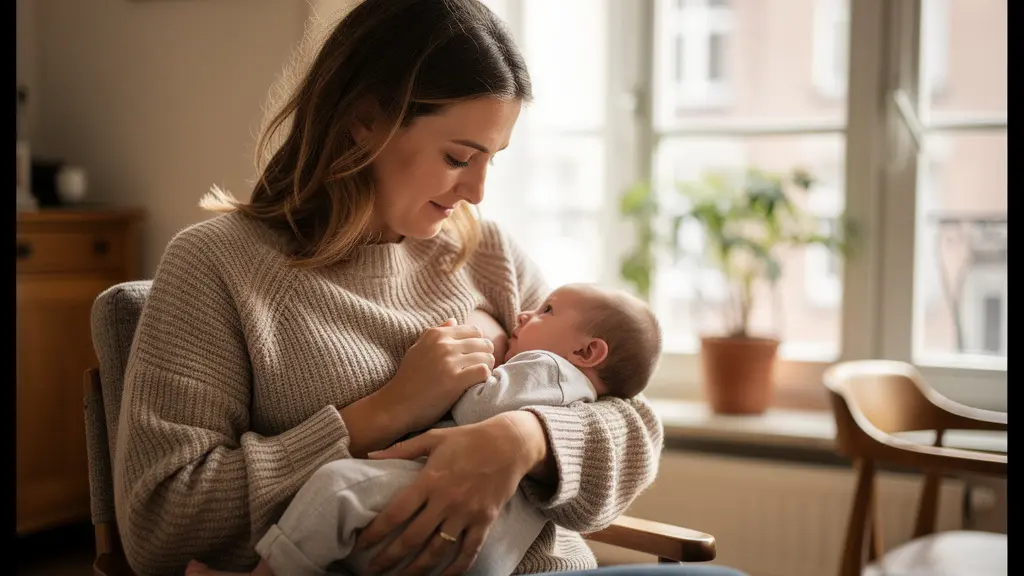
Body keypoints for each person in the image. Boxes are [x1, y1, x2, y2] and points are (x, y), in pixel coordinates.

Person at [112, 0, 748, 575]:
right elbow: (162, 524)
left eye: (490, 160)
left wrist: (523, 439)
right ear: (364, 121)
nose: (476, 192)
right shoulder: (217, 268)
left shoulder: (488, 253)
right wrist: (385, 411)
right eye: (457, 157)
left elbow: (631, 417)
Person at [186, 283, 661, 576]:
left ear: (589, 352)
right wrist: (393, 404)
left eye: (546, 311)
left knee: (336, 488)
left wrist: (522, 428)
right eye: (456, 157)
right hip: (492, 557)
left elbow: (632, 420)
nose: (523, 314)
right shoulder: (573, 380)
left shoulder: (544, 364)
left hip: (453, 530)